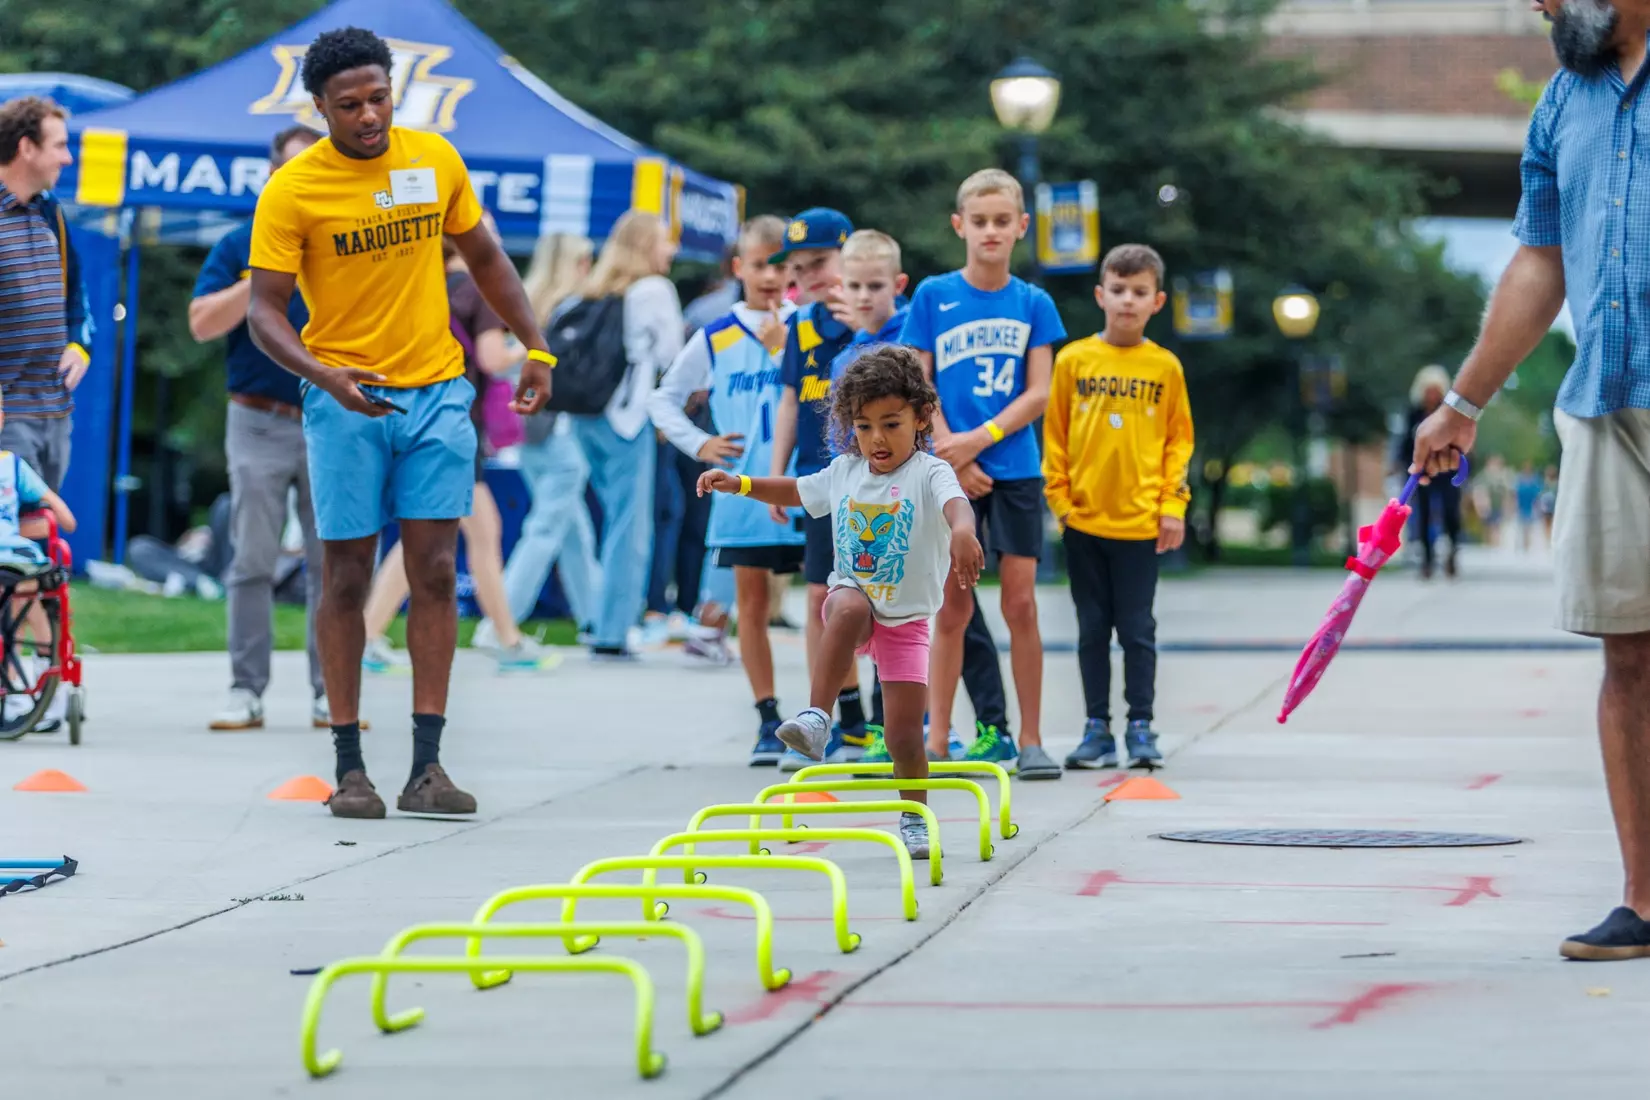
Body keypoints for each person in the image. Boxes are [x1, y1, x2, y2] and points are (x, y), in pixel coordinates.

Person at [246, 27, 554, 820]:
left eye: (379, 98)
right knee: (346, 574)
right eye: (349, 105)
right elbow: (263, 314)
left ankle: (428, 767)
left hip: (437, 392)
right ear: (318, 108)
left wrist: (535, 346)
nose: (369, 116)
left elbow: (485, 256)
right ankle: (349, 766)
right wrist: (324, 376)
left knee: (434, 569)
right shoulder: (292, 190)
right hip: (343, 397)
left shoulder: (433, 161)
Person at [1410, 0, 1650, 961]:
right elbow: (1538, 264)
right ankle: (1643, 899)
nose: (1541, 5)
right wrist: (1463, 402)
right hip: (1605, 401)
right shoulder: (1562, 101)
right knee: (1628, 655)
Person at [697, 344, 982, 859]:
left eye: (891, 424)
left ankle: (915, 816)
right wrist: (739, 483)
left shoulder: (928, 471)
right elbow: (794, 490)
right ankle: (816, 717)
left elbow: (957, 506)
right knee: (847, 604)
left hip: (908, 621)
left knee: (903, 735)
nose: (876, 438)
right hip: (852, 599)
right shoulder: (845, 472)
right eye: (864, 425)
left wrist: (963, 532)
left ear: (920, 418)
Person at [901, 168, 1066, 780]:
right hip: (948, 472)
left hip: (1015, 471)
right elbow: (920, 380)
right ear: (959, 226)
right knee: (951, 606)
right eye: (980, 221)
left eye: (1003, 221)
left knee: (1021, 604)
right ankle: (937, 741)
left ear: (1022, 227)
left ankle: (1030, 738)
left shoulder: (1034, 303)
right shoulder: (933, 295)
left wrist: (980, 441)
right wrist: (952, 451)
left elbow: (1039, 392)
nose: (991, 231)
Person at [360, 223, 557, 674]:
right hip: (454, 425)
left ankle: (373, 632)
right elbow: (490, 358)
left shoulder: (420, 285)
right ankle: (504, 640)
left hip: (415, 417)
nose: (500, 239)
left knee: (446, 531)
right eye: (490, 230)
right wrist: (530, 347)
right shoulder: (479, 291)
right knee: (456, 533)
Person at [191, 124, 332, 731]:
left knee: (336, 558)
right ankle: (246, 689)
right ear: (274, 176)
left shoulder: (343, 239)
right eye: (293, 171)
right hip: (257, 417)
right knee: (252, 557)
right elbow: (200, 323)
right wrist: (265, 274)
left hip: (331, 414)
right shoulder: (238, 241)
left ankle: (333, 692)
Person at [649, 215, 804, 763]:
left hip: (804, 485)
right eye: (761, 264)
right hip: (744, 492)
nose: (771, 275)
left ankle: (835, 713)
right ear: (739, 267)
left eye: (782, 265)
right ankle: (768, 716)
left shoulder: (808, 325)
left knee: (832, 602)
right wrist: (701, 444)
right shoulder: (715, 335)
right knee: (752, 604)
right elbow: (662, 399)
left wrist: (791, 345)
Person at [1046, 244, 1193, 771]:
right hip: (1084, 520)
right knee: (1090, 629)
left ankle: (1140, 726)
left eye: (1138, 293)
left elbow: (1179, 441)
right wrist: (1061, 503)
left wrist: (1173, 504)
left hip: (1140, 523)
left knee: (1136, 630)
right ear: (1100, 295)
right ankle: (1095, 729)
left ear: (1156, 301)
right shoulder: (1073, 361)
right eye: (1118, 290)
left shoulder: (1164, 367)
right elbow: (1056, 436)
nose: (1127, 301)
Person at [768, 208, 870, 768]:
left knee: (879, 601)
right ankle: (831, 714)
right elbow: (789, 402)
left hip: (874, 480)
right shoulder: (800, 326)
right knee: (819, 598)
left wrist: (861, 320)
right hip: (818, 476)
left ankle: (887, 715)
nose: (811, 278)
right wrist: (777, 470)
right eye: (800, 269)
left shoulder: (875, 316)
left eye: (821, 264)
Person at [565, 211, 685, 659]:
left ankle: (596, 616)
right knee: (629, 527)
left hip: (586, 415)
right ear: (644, 246)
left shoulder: (594, 288)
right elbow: (672, 354)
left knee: (596, 522)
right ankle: (613, 631)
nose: (670, 250)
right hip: (628, 419)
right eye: (663, 241)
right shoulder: (654, 289)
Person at [496, 233, 603, 636]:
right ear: (575, 265)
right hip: (557, 430)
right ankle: (502, 621)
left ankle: (595, 619)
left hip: (527, 431)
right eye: (585, 262)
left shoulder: (524, 303)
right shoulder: (570, 311)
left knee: (573, 532)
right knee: (545, 531)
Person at [0, 96, 88, 498]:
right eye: (59, 146)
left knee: (40, 537)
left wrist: (79, 345)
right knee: (17, 539)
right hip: (9, 416)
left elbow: (76, 296)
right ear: (25, 147)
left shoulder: (51, 211)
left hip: (56, 414)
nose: (68, 159)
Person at [1398, 365, 1463, 579]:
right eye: (1428, 391)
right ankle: (1427, 559)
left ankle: (1452, 551)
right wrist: (1403, 464)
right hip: (1422, 472)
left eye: (1435, 390)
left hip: (1446, 471)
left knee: (1450, 512)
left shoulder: (1447, 415)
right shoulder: (1413, 414)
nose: (1431, 395)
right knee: (1423, 515)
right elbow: (1405, 444)